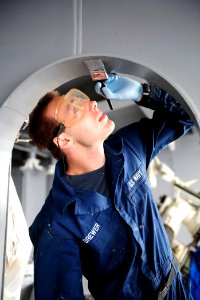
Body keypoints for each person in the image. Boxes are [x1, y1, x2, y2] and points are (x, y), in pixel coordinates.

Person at [28, 73, 194, 300]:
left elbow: (186, 114)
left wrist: (143, 93)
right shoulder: (55, 222)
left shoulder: (128, 148)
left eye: (81, 100)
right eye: (75, 109)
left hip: (179, 291)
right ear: (64, 140)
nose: (92, 103)